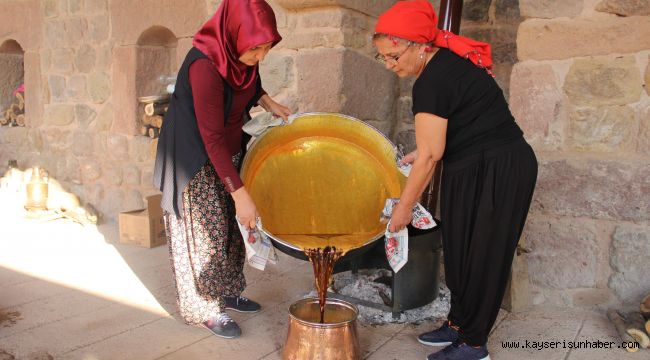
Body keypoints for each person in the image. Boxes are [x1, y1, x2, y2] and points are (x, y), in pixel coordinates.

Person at [373, 1, 538, 359]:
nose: (389, 64)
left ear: (418, 45)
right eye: (382, 57)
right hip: (472, 163)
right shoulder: (440, 68)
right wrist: (425, 151)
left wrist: (403, 208)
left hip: (499, 168)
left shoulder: (433, 80)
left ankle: (475, 344)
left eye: (393, 55)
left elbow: (432, 155)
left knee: (483, 255)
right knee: (461, 250)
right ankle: (460, 324)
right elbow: (453, 128)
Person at [153, 0, 291, 339]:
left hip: (225, 147)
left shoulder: (240, 55)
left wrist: (267, 101)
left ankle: (227, 290)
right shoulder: (205, 64)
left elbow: (247, 81)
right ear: (232, 36)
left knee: (230, 227)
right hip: (193, 156)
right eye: (255, 48)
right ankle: (203, 307)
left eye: (266, 48)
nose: (260, 56)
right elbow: (210, 137)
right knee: (204, 233)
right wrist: (241, 192)